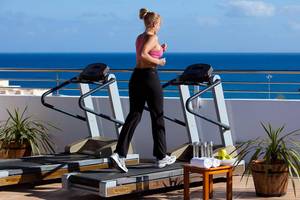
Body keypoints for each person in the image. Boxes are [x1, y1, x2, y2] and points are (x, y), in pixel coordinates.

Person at [110, 8, 176, 173]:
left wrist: (160, 49)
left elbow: (146, 51)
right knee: (158, 116)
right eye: (159, 24)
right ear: (154, 24)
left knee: (135, 115)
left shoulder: (140, 37)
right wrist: (159, 62)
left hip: (136, 77)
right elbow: (143, 54)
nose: (160, 27)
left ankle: (119, 154)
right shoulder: (152, 36)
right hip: (149, 77)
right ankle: (161, 157)